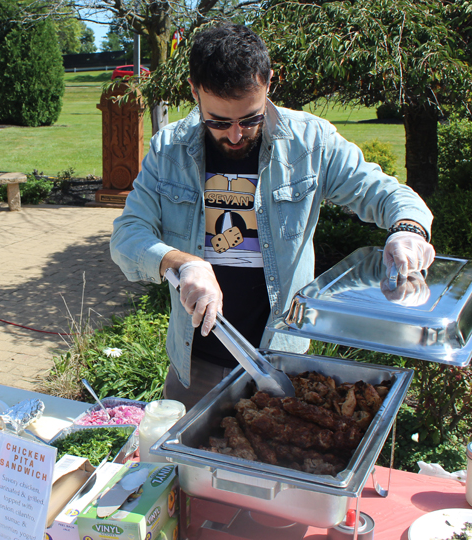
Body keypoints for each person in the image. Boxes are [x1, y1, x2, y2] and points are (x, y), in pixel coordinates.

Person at [110, 24, 435, 410]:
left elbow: (388, 194)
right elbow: (127, 235)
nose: (234, 135)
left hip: (283, 361)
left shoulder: (311, 142)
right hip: (196, 363)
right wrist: (182, 262)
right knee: (185, 469)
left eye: (249, 119)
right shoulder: (169, 150)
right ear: (195, 91)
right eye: (218, 121)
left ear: (268, 83)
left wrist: (408, 232)